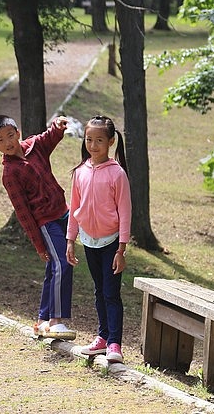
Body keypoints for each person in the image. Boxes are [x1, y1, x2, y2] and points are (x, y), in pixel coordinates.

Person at [0, 114, 76, 340]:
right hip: (45, 222)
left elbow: (49, 137)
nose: (7, 142)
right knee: (63, 264)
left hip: (63, 213)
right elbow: (23, 212)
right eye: (0, 140)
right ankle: (56, 321)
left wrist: (57, 126)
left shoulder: (34, 147)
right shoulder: (10, 173)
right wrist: (38, 244)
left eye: (10, 135)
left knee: (54, 268)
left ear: (18, 133)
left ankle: (42, 321)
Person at [65, 115, 131, 363]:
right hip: (88, 242)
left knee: (111, 293)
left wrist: (121, 249)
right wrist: (71, 240)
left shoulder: (117, 174)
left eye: (99, 140)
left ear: (111, 142)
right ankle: (102, 338)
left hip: (112, 243)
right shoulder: (80, 172)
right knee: (98, 291)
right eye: (89, 140)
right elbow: (74, 208)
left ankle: (115, 343)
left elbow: (125, 212)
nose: (93, 145)